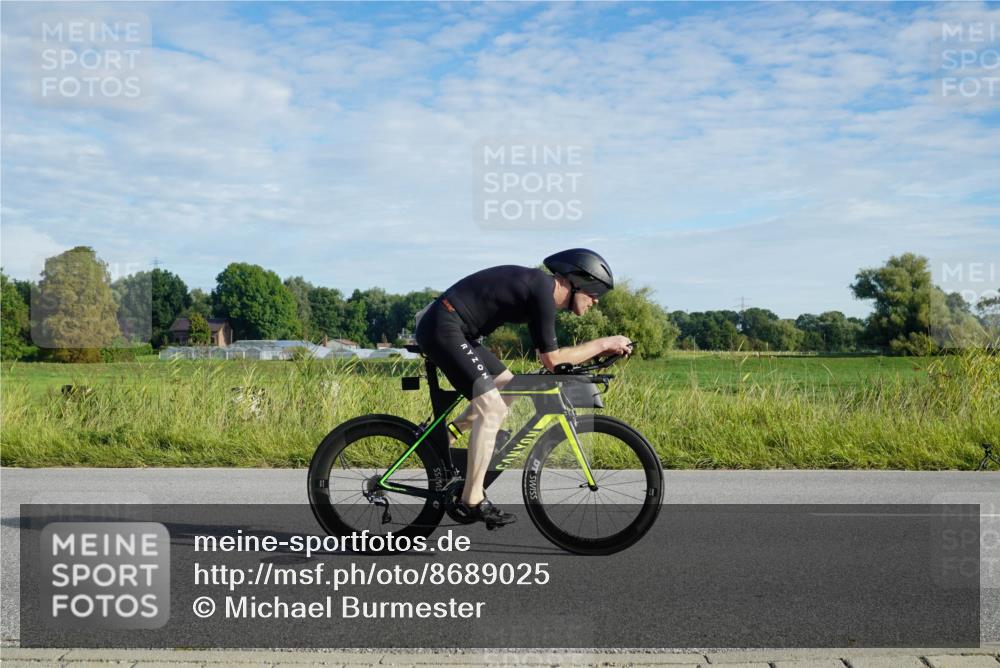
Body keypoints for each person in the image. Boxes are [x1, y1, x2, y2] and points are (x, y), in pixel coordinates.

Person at [413, 249, 633, 528]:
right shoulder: (543, 292)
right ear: (577, 281)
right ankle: (472, 499)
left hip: (456, 330)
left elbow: (551, 359)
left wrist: (599, 352)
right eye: (595, 292)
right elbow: (553, 360)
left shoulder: (541, 291)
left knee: (509, 386)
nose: (596, 300)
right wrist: (603, 343)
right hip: (443, 327)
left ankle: (445, 437)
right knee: (492, 409)